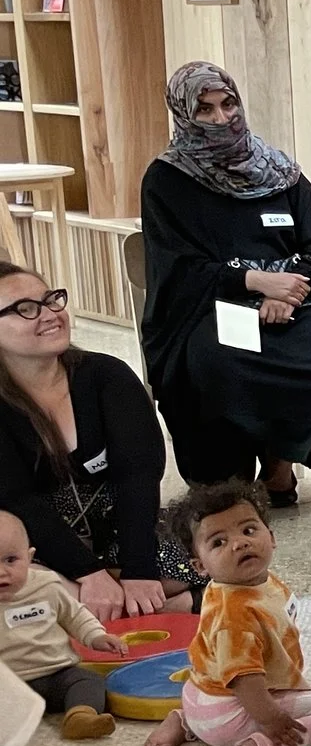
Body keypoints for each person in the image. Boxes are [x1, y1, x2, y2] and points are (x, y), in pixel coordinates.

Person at [140, 62, 311, 499]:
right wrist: (254, 281)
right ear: (183, 114)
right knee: (219, 366)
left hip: (299, 301)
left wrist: (289, 288)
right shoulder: (167, 180)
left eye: (228, 104)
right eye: (205, 110)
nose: (222, 118)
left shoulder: (280, 172)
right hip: (212, 309)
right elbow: (177, 267)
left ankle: (282, 462)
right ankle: (231, 482)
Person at [0, 263, 200, 618]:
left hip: (120, 529)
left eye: (51, 300)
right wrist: (87, 574)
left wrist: (139, 570)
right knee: (21, 583)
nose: (49, 315)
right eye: (25, 308)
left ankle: (90, 612)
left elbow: (137, 477)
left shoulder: (108, 376)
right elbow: (18, 500)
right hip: (33, 545)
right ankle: (175, 607)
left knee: (208, 553)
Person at [143, 481, 311, 746]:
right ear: (200, 567)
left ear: (271, 537)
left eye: (248, 530)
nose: (240, 543)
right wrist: (272, 720)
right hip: (229, 713)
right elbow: (244, 680)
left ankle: (184, 721)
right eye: (218, 542)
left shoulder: (242, 584)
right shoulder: (236, 617)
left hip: (199, 695)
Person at [0, 508, 124, 741]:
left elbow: (74, 615)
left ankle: (80, 717)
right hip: (9, 685)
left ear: (29, 557)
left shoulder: (46, 586)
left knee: (89, 681)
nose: (1, 572)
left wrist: (96, 636)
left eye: (10, 560)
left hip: (56, 674)